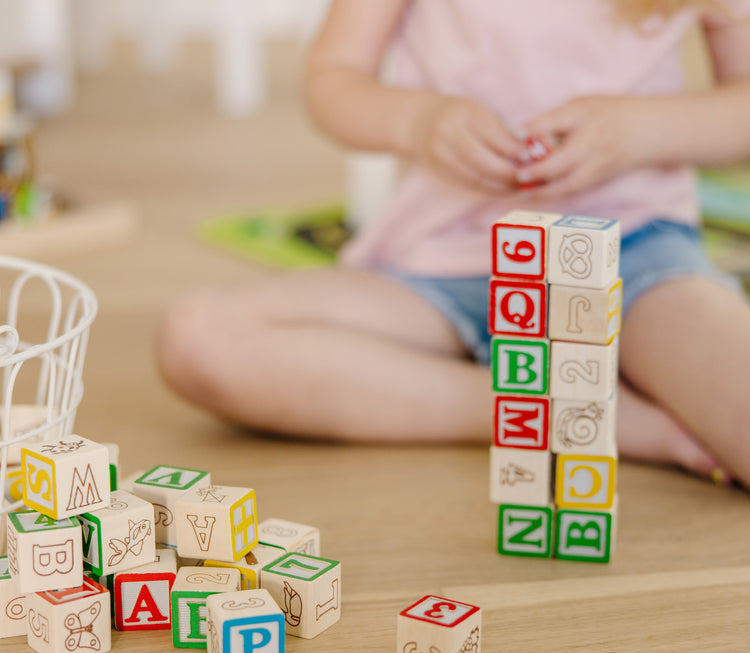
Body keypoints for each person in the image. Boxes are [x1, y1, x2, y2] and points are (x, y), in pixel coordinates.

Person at [157, 0, 750, 487]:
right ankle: (569, 414)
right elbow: (332, 79)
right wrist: (418, 121)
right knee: (199, 337)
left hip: (634, 257)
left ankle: (564, 401)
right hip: (438, 271)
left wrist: (639, 130)